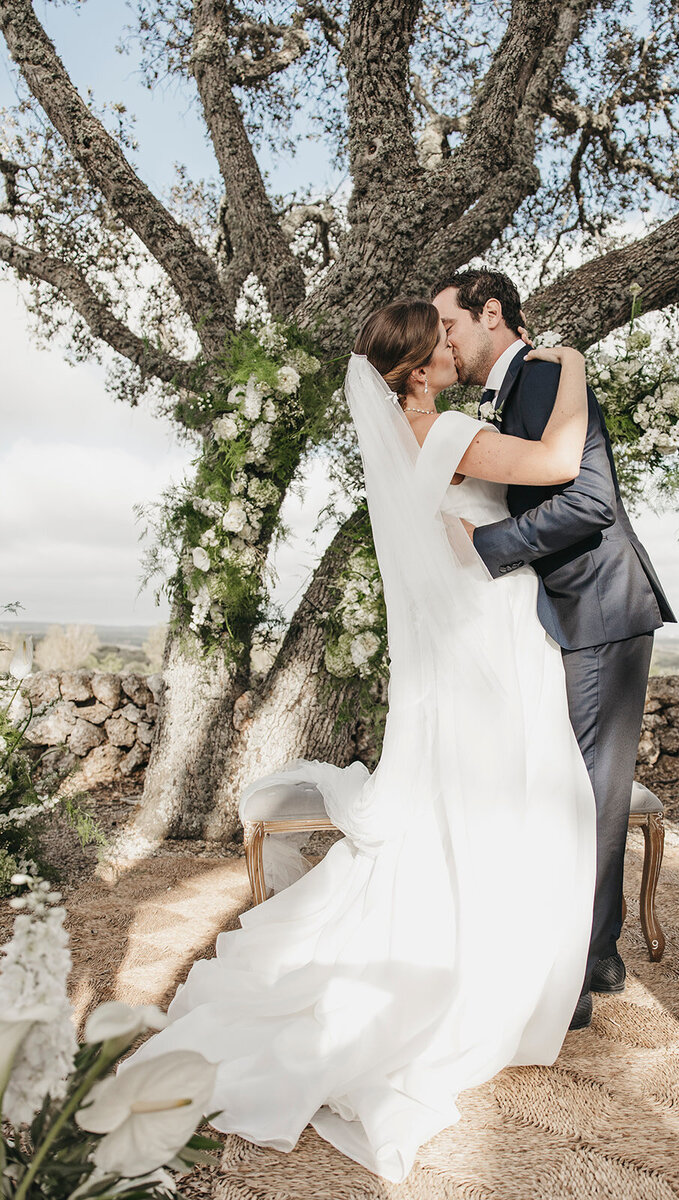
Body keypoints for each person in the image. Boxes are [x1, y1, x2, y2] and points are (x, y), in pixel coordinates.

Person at [124, 299, 597, 1183]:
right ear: (418, 372)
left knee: (475, 803)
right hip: (490, 637)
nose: (455, 347)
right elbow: (560, 461)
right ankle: (489, 973)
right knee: (523, 797)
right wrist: (571, 365)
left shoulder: (407, 440)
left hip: (461, 647)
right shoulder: (447, 427)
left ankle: (485, 950)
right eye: (441, 342)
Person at [433, 269, 675, 1030]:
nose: (445, 342)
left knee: (588, 797)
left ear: (492, 313)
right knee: (582, 791)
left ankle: (572, 976)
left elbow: (589, 501)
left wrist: (487, 545)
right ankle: (597, 953)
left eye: (450, 326)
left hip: (600, 605)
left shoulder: (537, 379)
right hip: (579, 607)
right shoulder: (516, 388)